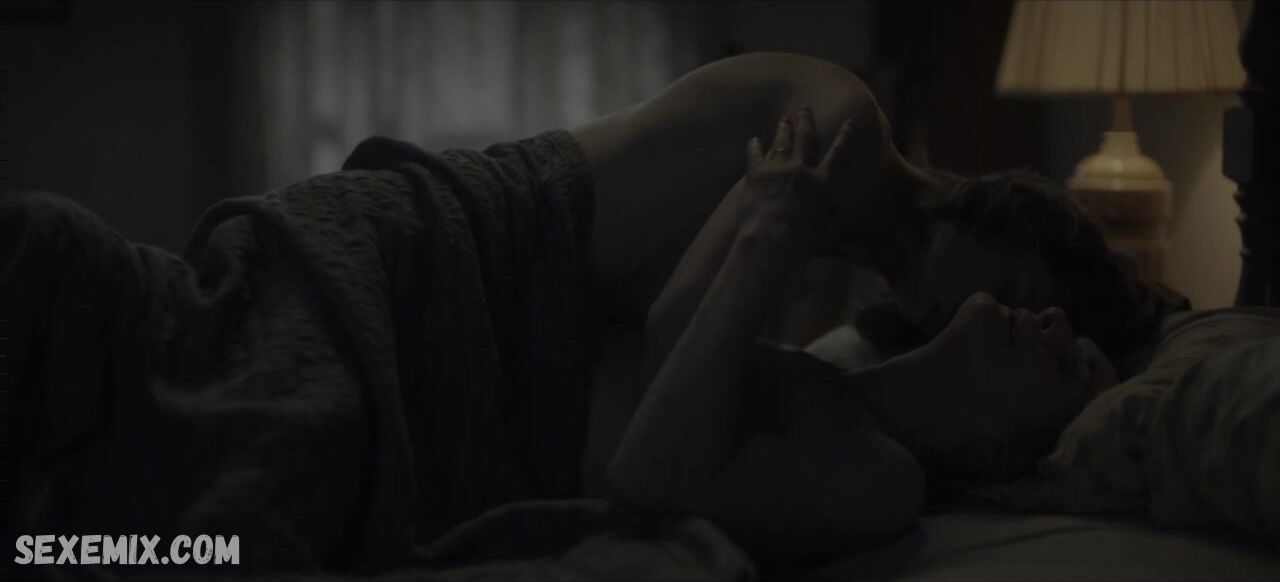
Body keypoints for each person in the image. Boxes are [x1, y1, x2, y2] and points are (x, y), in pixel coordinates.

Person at [601, 107, 1122, 563]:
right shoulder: (834, 381)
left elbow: (646, 482)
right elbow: (664, 338)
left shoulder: (888, 481)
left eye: (1068, 366)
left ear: (998, 452)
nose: (1054, 322)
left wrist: (765, 237)